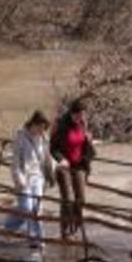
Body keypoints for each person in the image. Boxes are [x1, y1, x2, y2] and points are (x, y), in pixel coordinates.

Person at [3, 110, 53, 248]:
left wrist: (54, 169)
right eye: (40, 128)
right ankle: (9, 225)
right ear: (34, 124)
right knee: (26, 207)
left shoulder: (43, 138)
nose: (41, 131)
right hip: (24, 177)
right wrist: (19, 179)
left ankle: (37, 239)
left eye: (44, 129)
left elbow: (46, 159)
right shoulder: (20, 136)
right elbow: (15, 161)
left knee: (36, 208)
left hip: (38, 177)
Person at [50, 98, 95, 239]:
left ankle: (76, 228)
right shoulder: (62, 127)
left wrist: (89, 144)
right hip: (64, 166)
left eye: (83, 115)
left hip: (79, 166)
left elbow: (89, 150)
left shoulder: (83, 126)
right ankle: (65, 230)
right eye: (78, 115)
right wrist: (61, 159)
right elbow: (52, 147)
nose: (80, 118)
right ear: (71, 114)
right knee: (67, 199)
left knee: (80, 199)